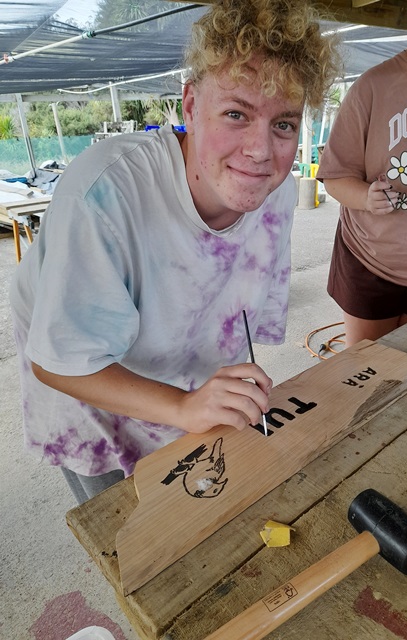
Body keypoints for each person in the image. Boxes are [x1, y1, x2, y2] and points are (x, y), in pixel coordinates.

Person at [9, 0, 340, 505]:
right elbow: (59, 361)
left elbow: (236, 322)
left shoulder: (276, 194)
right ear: (189, 106)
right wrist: (184, 407)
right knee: (124, 525)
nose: (260, 151)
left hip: (184, 386)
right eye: (236, 114)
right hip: (89, 392)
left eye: (284, 125)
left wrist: (201, 403)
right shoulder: (105, 194)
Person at [317, 0, 407, 347]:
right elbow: (334, 177)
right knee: (369, 367)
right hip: (370, 262)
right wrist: (365, 197)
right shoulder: (373, 86)